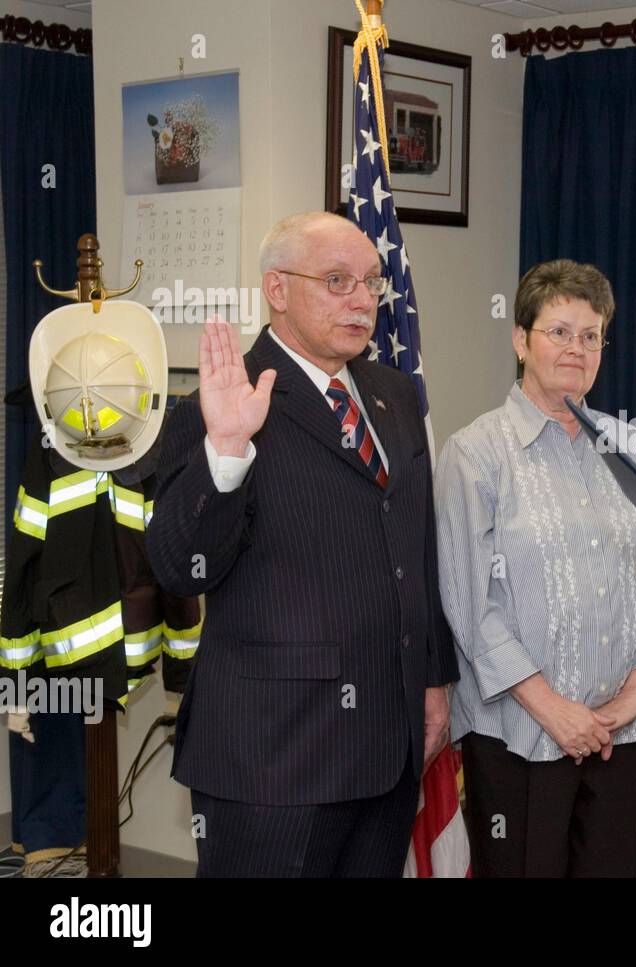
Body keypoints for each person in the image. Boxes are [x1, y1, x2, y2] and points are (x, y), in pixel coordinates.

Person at [146, 211, 457, 877]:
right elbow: (179, 565)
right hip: (274, 757)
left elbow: (418, 551)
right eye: (337, 280)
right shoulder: (220, 403)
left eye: (371, 282)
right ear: (277, 290)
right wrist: (226, 450)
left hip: (387, 745)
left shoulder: (395, 394)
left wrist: (435, 680)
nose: (361, 299)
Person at [435, 259, 636, 877]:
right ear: (521, 339)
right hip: (518, 736)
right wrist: (553, 709)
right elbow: (468, 605)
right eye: (559, 331)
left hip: (623, 733)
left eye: (591, 335)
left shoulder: (634, 451)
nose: (576, 349)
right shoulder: (475, 454)